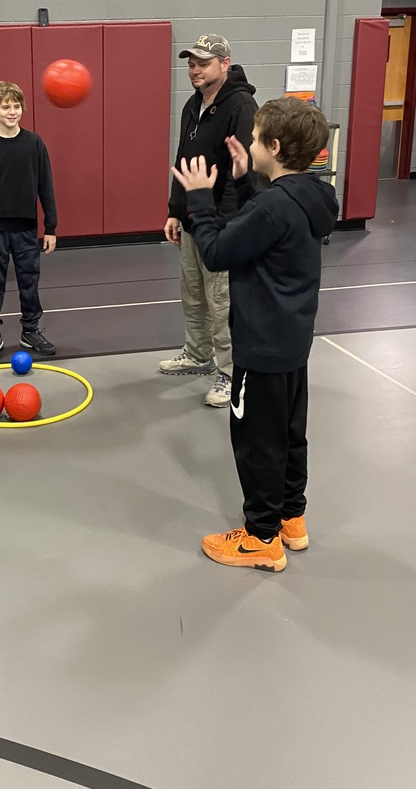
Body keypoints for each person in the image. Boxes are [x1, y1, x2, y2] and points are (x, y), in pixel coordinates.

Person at [171, 97, 338, 571]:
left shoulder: (274, 207)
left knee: (257, 441)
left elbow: (220, 251)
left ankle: (261, 537)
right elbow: (264, 226)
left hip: (260, 345)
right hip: (291, 341)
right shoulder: (308, 196)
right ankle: (291, 519)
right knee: (289, 432)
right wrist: (245, 179)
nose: (248, 142)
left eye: (255, 137)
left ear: (275, 146)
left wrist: (201, 199)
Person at [158, 34, 258, 409]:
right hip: (191, 219)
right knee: (194, 295)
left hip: (221, 224)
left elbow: (241, 170)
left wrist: (227, 225)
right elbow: (184, 159)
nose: (195, 69)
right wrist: (174, 208)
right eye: (190, 63)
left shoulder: (241, 106)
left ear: (224, 64)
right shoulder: (193, 105)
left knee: (222, 302)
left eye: (202, 62)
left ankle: (232, 373)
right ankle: (198, 353)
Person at [0, 81, 57, 362]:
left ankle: (30, 330)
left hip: (26, 229)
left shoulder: (34, 143)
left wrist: (51, 228)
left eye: (16, 106)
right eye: (5, 106)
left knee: (29, 282)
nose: (12, 111)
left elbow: (46, 186)